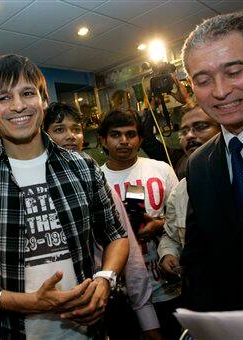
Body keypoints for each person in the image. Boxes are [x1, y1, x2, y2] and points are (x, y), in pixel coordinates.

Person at [0, 54, 129, 339]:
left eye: (27, 93)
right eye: (4, 98)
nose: (18, 106)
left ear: (43, 101)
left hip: (89, 331)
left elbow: (116, 235)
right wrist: (27, 303)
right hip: (11, 332)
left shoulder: (82, 167)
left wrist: (105, 279)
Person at [180, 12, 243, 312]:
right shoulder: (198, 164)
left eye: (234, 72)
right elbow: (197, 259)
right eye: (203, 80)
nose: (220, 92)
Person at [44, 102, 163, 340]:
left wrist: (147, 318)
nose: (70, 136)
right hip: (51, 313)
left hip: (108, 303)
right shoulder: (32, 192)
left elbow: (129, 252)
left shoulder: (99, 185)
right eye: (59, 129)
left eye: (75, 129)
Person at [98, 109, 182, 340]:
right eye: (116, 134)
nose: (124, 141)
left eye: (130, 134)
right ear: (103, 141)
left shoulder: (161, 169)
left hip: (166, 283)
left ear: (140, 139)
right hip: (123, 290)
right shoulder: (96, 179)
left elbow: (180, 218)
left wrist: (157, 224)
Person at [157, 105, 220, 278]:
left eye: (200, 127)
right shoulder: (180, 191)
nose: (190, 136)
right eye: (184, 132)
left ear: (223, 129)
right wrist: (168, 254)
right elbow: (171, 236)